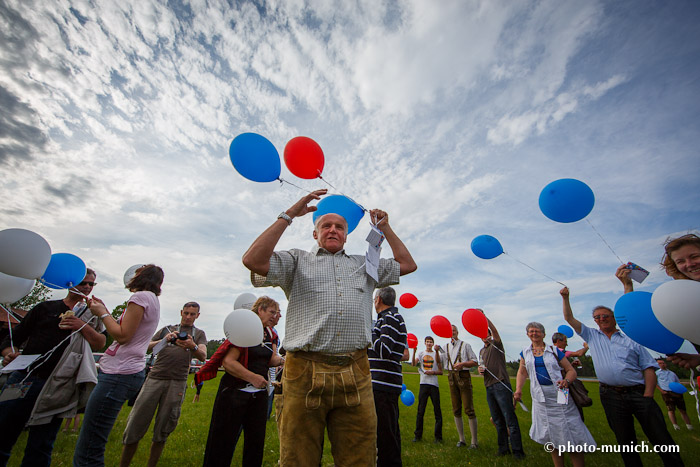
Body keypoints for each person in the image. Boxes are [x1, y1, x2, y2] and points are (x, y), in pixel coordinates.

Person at [242, 189, 417, 466]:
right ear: (315, 233)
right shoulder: (297, 261)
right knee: (298, 458)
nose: (333, 230)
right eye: (326, 225)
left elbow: (407, 264)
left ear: (347, 235)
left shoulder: (366, 266)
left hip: (356, 371)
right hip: (303, 372)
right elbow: (253, 260)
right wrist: (288, 215)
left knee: (360, 458)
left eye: (339, 227)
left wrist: (385, 227)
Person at [561, 286, 684, 466]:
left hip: (638, 393)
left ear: (614, 318)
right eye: (597, 317)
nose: (601, 319)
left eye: (605, 316)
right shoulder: (593, 336)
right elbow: (569, 319)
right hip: (610, 395)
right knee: (625, 440)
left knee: (659, 436)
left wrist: (648, 395)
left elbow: (649, 368)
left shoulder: (631, 340)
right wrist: (565, 298)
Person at [0, 269, 105, 467]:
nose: (88, 287)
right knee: (4, 430)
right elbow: (13, 338)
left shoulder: (92, 314)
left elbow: (100, 343)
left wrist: (80, 324)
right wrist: (8, 353)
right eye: (84, 282)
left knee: (41, 444)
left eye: (92, 284)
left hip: (58, 384)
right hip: (24, 378)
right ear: (69, 282)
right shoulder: (45, 308)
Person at [73, 264, 164, 467]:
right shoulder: (153, 300)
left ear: (140, 277)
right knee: (96, 436)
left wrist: (103, 314)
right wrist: (103, 310)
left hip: (118, 373)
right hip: (131, 371)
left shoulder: (139, 298)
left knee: (90, 443)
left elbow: (123, 336)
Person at [119, 301, 207, 467]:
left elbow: (203, 355)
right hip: (155, 378)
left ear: (198, 316)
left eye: (192, 314)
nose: (188, 317)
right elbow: (146, 347)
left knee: (164, 428)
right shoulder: (167, 329)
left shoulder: (199, 334)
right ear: (181, 312)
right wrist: (165, 340)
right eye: (186, 313)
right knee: (135, 424)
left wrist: (192, 345)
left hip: (177, 382)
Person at [202, 296, 284, 467]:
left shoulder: (269, 334)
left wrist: (286, 359)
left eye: (276, 313)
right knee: (222, 442)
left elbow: (269, 360)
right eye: (272, 312)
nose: (275, 316)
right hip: (234, 393)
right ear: (260, 310)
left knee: (255, 444)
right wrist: (252, 377)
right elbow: (228, 362)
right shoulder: (245, 328)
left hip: (258, 397)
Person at [514, 322, 594, 467]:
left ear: (543, 334)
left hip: (561, 392)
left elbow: (571, 371)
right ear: (527, 335)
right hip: (539, 396)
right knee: (550, 434)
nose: (534, 334)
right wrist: (518, 389)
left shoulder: (554, 350)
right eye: (531, 331)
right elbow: (522, 372)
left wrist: (566, 381)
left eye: (537, 331)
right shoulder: (525, 352)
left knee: (570, 430)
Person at [618, 233, 700, 369]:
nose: (689, 264)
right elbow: (639, 318)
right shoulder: (683, 299)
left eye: (695, 256)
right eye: (680, 261)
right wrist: (697, 359)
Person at [368, 286, 408, 467]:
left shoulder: (390, 318)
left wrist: (368, 331)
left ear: (378, 300)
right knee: (387, 430)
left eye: (374, 298)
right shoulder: (387, 318)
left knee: (385, 433)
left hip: (383, 385)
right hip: (382, 383)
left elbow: (384, 349)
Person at [478, 314, 525, 459]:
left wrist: (484, 318)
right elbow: (483, 366)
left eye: (486, 333)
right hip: (489, 386)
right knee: (497, 419)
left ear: (490, 335)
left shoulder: (496, 345)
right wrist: (481, 371)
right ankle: (503, 449)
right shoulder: (481, 351)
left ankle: (518, 452)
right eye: (482, 334)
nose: (484, 336)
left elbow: (496, 332)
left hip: (501, 384)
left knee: (509, 418)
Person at [436, 324, 478, 448]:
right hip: (451, 377)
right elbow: (439, 361)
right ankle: (462, 439)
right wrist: (437, 351)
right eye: (450, 331)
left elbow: (475, 361)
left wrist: (463, 364)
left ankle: (474, 442)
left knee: (469, 409)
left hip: (463, 376)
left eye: (454, 330)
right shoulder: (446, 347)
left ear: (457, 332)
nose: (452, 332)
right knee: (456, 409)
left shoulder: (466, 345)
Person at [411, 336, 443, 443]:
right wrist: (414, 352)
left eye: (431, 342)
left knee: (437, 411)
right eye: (427, 342)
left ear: (433, 344)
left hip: (434, 385)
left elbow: (441, 371)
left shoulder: (436, 354)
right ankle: (417, 436)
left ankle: (438, 437)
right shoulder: (421, 354)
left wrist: (432, 372)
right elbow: (413, 364)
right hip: (423, 384)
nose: (429, 344)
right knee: (420, 411)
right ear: (425, 343)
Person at [551, 333, 589, 420]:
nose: (566, 344)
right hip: (564, 384)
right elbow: (579, 353)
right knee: (569, 406)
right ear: (558, 341)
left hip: (558, 383)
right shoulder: (559, 351)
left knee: (563, 406)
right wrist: (586, 347)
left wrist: (571, 365)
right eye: (565, 341)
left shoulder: (550, 351)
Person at [655, 358, 693, 431]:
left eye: (663, 363)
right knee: (671, 409)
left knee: (682, 409)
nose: (663, 364)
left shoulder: (672, 373)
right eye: (660, 363)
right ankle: (675, 426)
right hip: (667, 392)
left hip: (676, 392)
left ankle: (689, 425)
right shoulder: (657, 373)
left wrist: (680, 390)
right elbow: (655, 383)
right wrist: (661, 391)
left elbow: (677, 382)